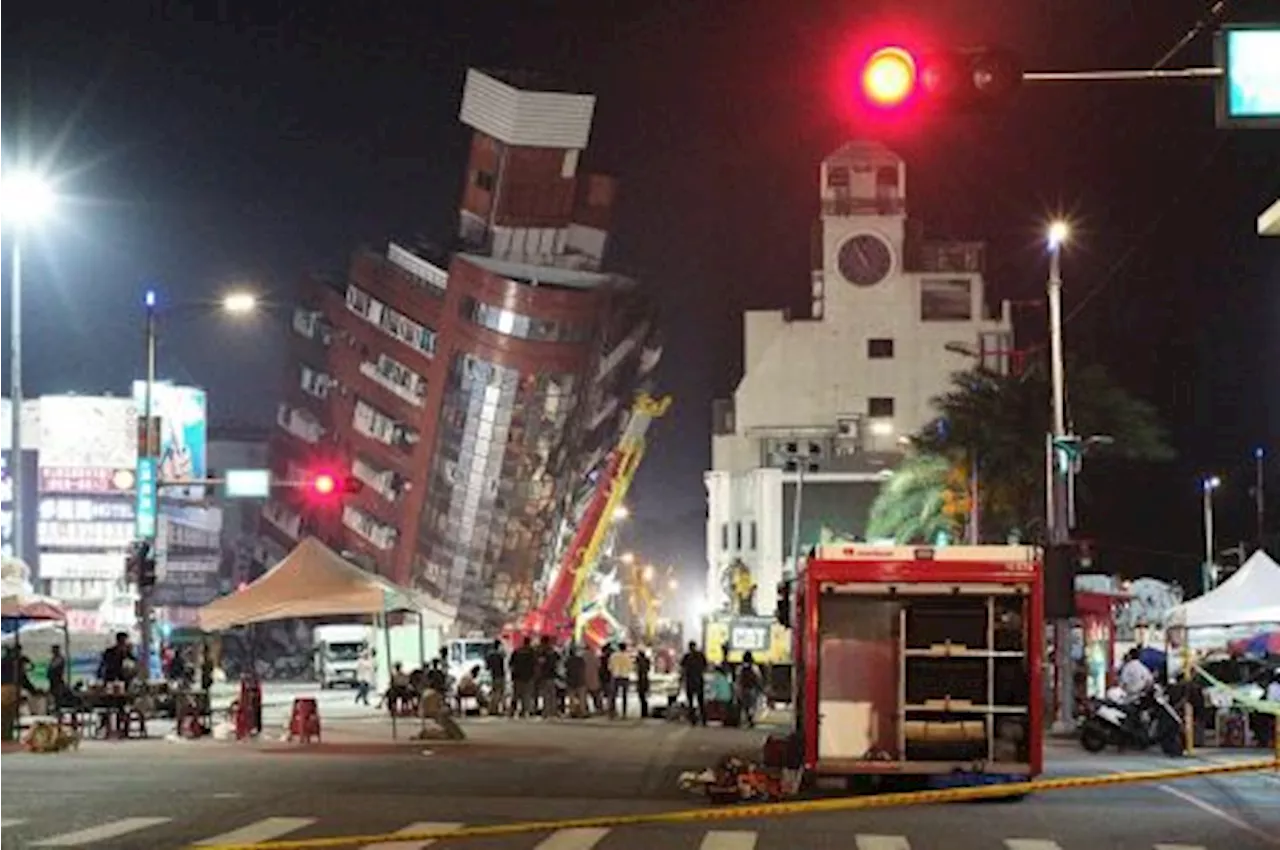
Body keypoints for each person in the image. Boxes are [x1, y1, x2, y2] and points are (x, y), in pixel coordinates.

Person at [680, 641, 708, 726]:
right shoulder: (700, 656)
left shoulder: (687, 656)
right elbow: (705, 666)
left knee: (691, 702)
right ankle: (703, 720)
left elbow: (683, 668)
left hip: (690, 681)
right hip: (699, 681)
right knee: (701, 701)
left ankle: (693, 720)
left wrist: (682, 679)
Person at [509, 637, 537, 718]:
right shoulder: (532, 652)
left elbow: (511, 663)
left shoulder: (517, 651)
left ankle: (512, 711)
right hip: (528, 677)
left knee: (516, 695)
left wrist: (513, 673)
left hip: (517, 676)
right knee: (526, 695)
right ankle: (524, 711)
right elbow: (535, 664)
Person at [735, 650, 762, 728]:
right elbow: (758, 678)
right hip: (751, 689)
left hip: (742, 688)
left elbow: (738, 679)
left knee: (743, 705)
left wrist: (737, 689)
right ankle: (750, 719)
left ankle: (741, 720)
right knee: (752, 705)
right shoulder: (754, 668)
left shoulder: (740, 668)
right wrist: (759, 688)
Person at [608, 642, 635, 719]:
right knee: (624, 696)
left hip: (615, 676)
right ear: (625, 648)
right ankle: (624, 713)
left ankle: (612, 713)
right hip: (625, 677)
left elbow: (610, 667)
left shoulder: (613, 656)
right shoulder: (627, 657)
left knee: (613, 695)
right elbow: (631, 667)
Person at [484, 641, 507, 717]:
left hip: (494, 675)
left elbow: (487, 667)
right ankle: (499, 709)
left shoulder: (489, 655)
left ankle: (493, 709)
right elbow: (504, 659)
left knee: (494, 692)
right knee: (500, 693)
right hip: (500, 675)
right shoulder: (500, 655)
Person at [635, 647, 652, 719]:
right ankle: (644, 712)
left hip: (641, 681)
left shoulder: (640, 662)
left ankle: (644, 712)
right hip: (645, 680)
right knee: (643, 697)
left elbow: (639, 671)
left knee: (642, 697)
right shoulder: (646, 661)